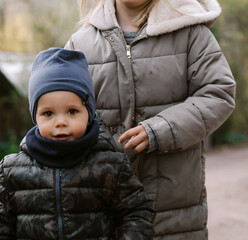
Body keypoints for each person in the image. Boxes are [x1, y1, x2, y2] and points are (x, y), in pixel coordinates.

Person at [65, 0, 236, 239]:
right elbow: (63, 111)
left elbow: (218, 93)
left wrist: (160, 130)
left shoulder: (191, 33)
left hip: (172, 215)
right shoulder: (80, 43)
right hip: (104, 212)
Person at [0, 48, 155, 240]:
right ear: (35, 117)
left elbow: (137, 213)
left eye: (72, 111)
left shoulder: (111, 166)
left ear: (88, 113)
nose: (61, 122)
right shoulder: (13, 171)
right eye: (48, 113)